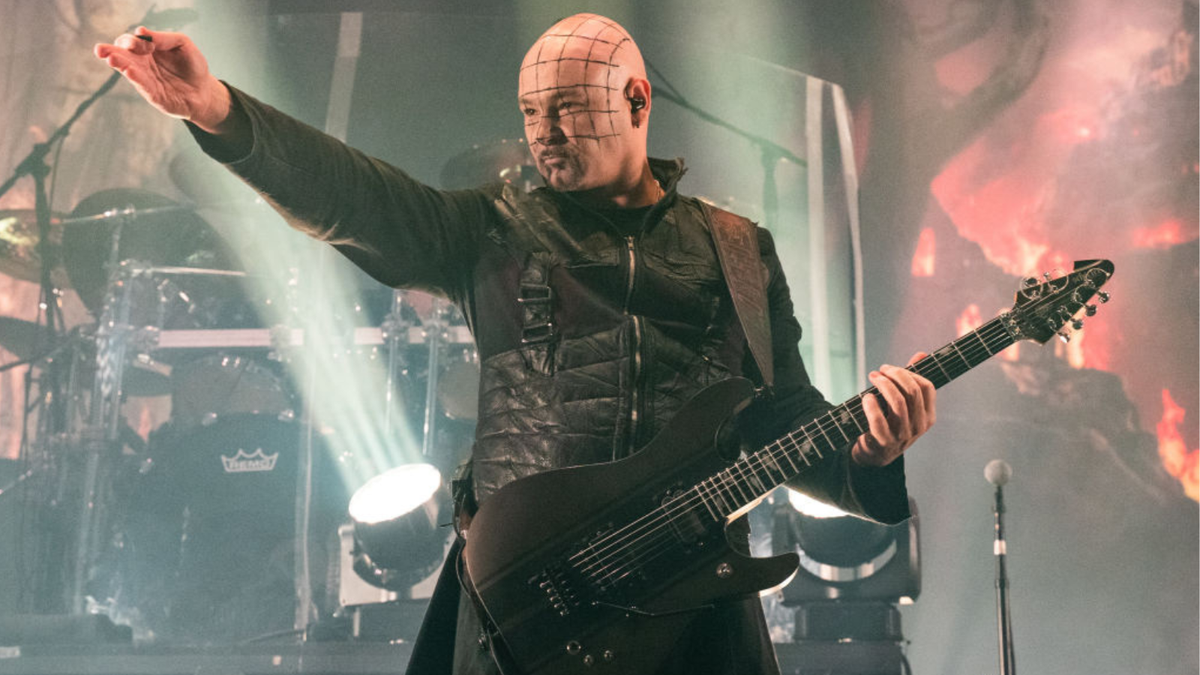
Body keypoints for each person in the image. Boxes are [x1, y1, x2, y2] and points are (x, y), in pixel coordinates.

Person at [96, 13, 936, 675]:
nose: (545, 131)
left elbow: (785, 423)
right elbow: (353, 195)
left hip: (692, 601)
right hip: (531, 600)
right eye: (533, 111)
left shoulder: (738, 249)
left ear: (638, 102)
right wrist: (218, 111)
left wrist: (868, 451)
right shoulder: (492, 228)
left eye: (569, 106)